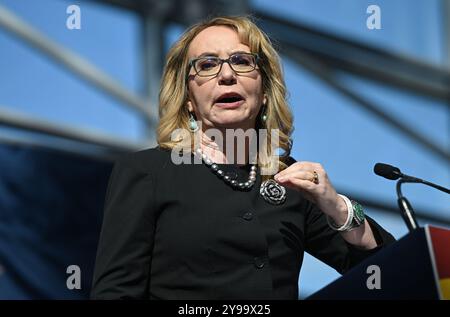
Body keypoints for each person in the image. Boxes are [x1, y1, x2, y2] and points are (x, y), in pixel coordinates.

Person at [90, 15, 395, 300]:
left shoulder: (289, 180)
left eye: (241, 61)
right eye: (207, 65)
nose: (226, 74)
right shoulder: (146, 172)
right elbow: (115, 293)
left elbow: (388, 275)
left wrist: (339, 209)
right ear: (188, 98)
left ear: (263, 91)